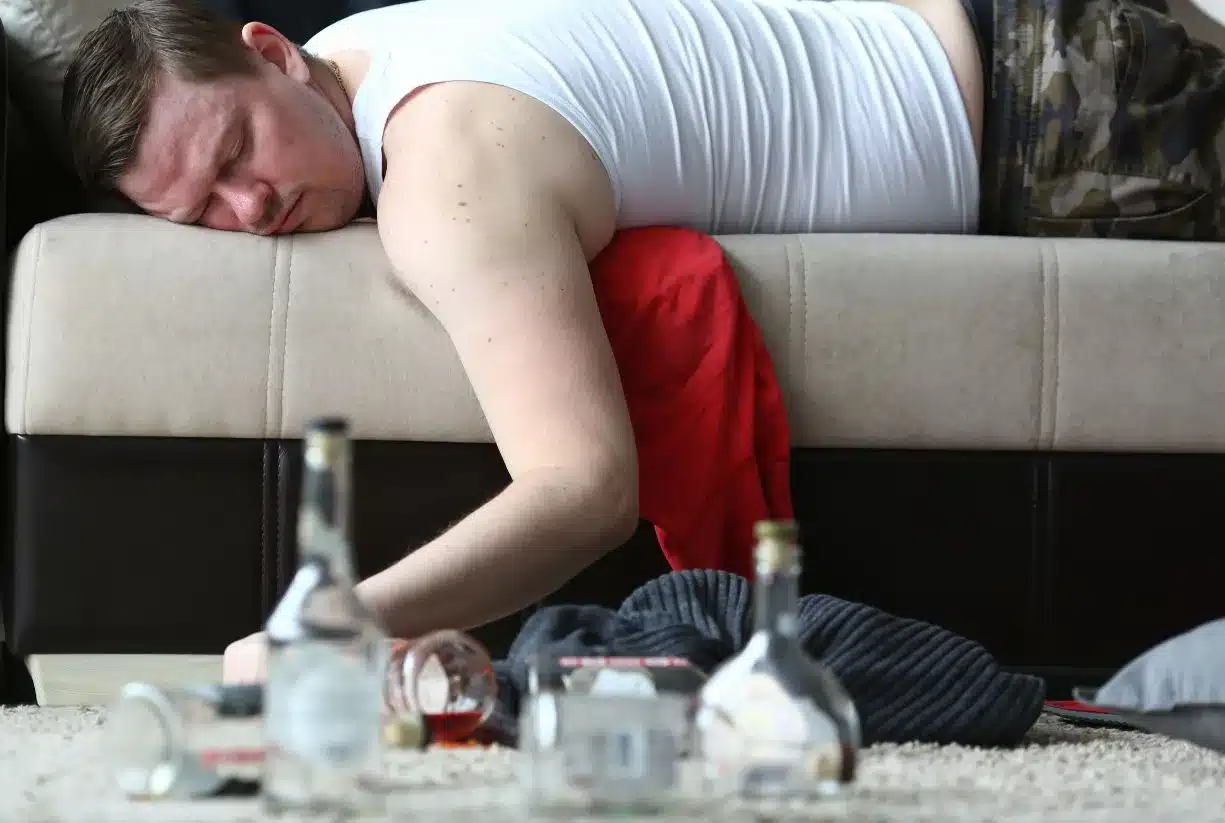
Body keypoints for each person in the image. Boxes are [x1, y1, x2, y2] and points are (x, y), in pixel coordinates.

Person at [62, 0, 1224, 682]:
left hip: (1071, 126)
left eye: (235, 153)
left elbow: (583, 489)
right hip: (1033, 46)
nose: (252, 208)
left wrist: (326, 627)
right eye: (202, 213)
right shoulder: (363, 46)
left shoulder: (446, 171)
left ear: (270, 52)